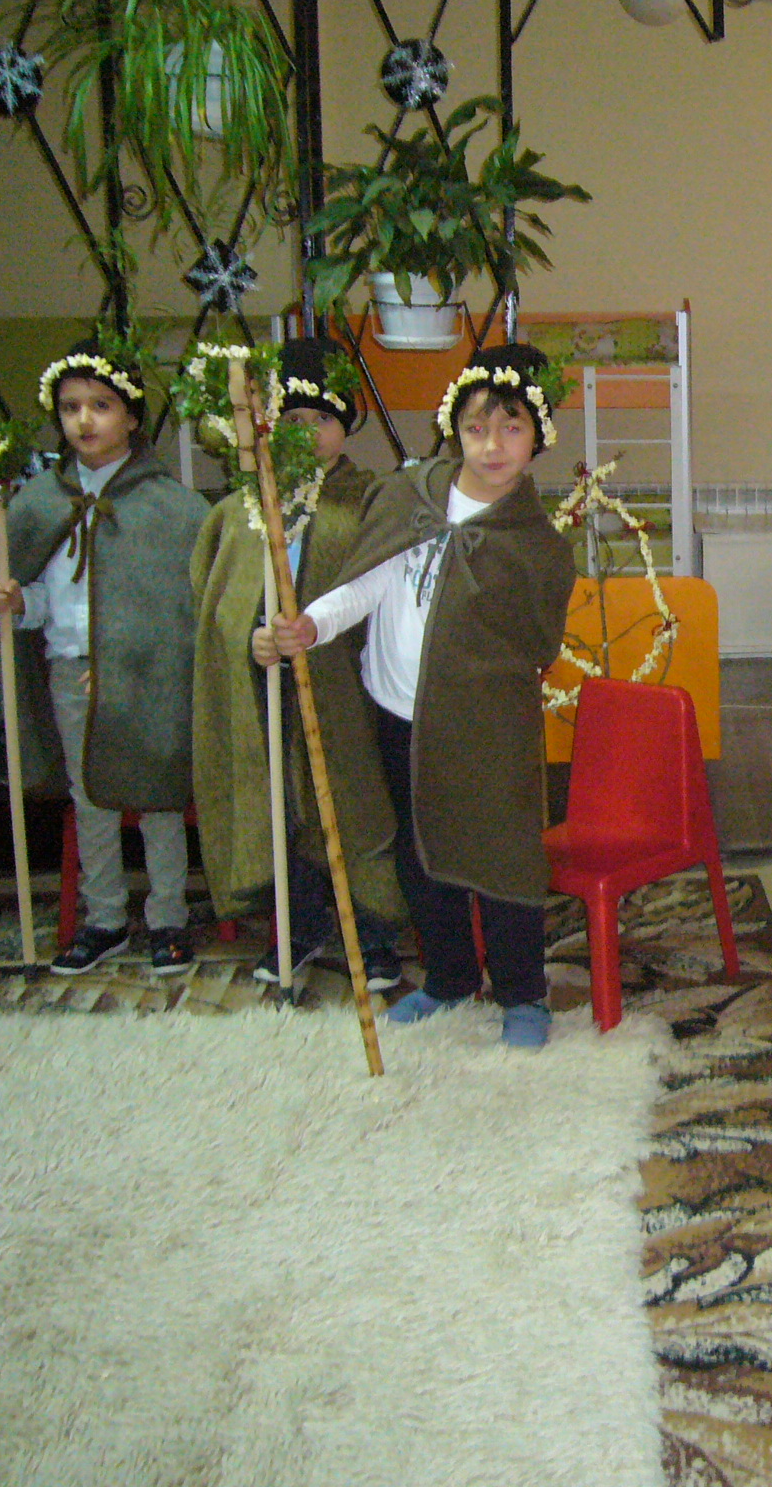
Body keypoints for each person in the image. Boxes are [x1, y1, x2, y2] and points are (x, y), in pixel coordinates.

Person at [266, 344, 574, 1048]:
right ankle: (449, 976)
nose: (492, 446)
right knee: (419, 852)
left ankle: (523, 992)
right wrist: (312, 624)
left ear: (538, 435)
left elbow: (537, 642)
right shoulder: (409, 497)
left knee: (499, 855)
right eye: (476, 428)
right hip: (397, 713)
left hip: (485, 727)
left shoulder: (536, 542)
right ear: (453, 428)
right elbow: (366, 583)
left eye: (512, 429)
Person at [190, 337, 407, 994]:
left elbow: (389, 589)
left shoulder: (370, 500)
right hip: (269, 690)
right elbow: (219, 603)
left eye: (323, 419)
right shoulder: (243, 509)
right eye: (293, 419)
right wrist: (251, 641)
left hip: (349, 689)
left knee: (353, 803)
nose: (309, 433)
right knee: (287, 804)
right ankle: (300, 924)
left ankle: (373, 932)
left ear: (346, 425)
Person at [0, 338, 208, 977]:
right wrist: (16, 603)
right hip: (72, 670)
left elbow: (185, 605)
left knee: (158, 799)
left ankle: (168, 918)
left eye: (102, 405)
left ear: (132, 417)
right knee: (92, 801)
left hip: (149, 676)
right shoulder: (38, 502)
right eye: (70, 407)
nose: (84, 420)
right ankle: (105, 918)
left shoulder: (171, 508)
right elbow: (43, 601)